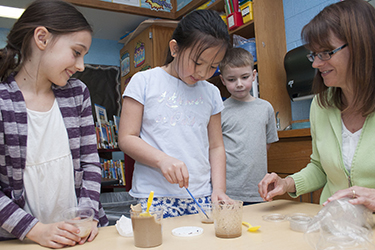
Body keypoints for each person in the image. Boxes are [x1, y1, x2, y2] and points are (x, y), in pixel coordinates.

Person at [0, 0, 108, 248]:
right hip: (22, 240)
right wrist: (35, 230)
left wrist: (88, 216)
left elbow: (90, 162)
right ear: (42, 38)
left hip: (80, 237)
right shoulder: (3, 102)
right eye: (76, 52)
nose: (80, 66)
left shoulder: (77, 93)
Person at [258, 0, 375, 212]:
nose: (315, 63)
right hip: (336, 226)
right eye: (314, 54)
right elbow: (321, 168)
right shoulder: (321, 106)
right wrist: (287, 183)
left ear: (361, 46)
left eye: (326, 52)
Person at [118, 9, 231, 217]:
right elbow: (126, 138)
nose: (202, 73)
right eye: (197, 63)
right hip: (154, 196)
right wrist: (162, 160)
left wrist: (219, 189)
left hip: (201, 195)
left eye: (213, 67)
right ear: (175, 49)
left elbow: (216, 146)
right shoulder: (144, 82)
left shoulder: (212, 93)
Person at [219, 47, 278, 205]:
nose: (239, 84)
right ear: (223, 80)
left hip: (258, 190)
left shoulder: (266, 108)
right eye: (231, 79)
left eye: (244, 77)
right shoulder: (219, 111)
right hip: (228, 191)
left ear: (253, 75)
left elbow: (266, 143)